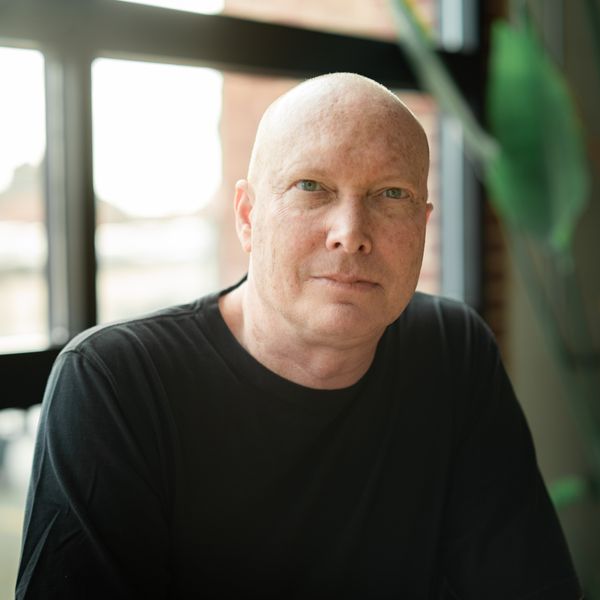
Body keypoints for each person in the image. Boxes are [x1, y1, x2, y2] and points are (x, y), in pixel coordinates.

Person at [16, 73, 582, 599]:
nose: (350, 234)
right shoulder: (117, 383)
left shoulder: (452, 350)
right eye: (312, 187)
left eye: (391, 194)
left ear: (423, 224)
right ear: (247, 217)